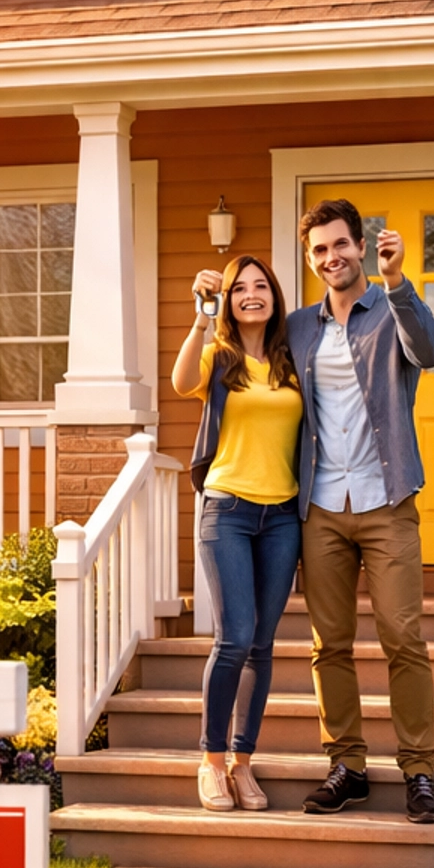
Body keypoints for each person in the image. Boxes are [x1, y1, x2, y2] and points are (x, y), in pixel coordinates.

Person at [286, 198, 434, 825]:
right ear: (311, 259)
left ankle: (420, 770)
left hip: (387, 498)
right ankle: (347, 766)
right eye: (320, 250)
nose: (332, 258)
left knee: (403, 637)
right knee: (329, 645)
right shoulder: (299, 327)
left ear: (361, 246)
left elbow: (430, 352)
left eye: (341, 245)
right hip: (321, 502)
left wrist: (399, 282)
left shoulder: (392, 307)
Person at [173, 252, 303, 813]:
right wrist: (201, 316)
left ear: (274, 296)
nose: (251, 294)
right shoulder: (218, 357)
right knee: (234, 637)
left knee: (262, 645)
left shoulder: (292, 361)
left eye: (261, 286)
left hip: (282, 516)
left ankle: (244, 765)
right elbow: (180, 383)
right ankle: (211, 761)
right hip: (226, 509)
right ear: (228, 301)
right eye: (239, 288)